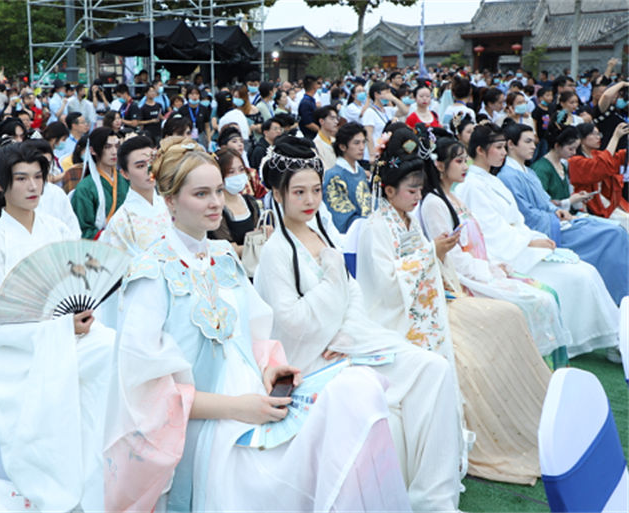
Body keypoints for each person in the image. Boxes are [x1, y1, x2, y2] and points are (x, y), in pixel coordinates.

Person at [103, 142, 412, 512]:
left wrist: (269, 368)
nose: (216, 202)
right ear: (169, 200)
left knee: (357, 390)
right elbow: (148, 393)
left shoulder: (224, 260)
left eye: (218, 190)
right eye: (201, 194)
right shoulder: (149, 274)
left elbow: (252, 337)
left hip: (258, 403)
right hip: (207, 426)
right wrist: (238, 407)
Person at [254, 136, 461, 511]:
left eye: (315, 190)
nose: (310, 200)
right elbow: (290, 322)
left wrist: (344, 329)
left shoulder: (323, 231)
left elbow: (353, 296)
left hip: (346, 341)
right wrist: (334, 283)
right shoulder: (276, 251)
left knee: (434, 368)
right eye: (298, 192)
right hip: (312, 359)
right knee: (418, 374)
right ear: (278, 194)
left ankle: (435, 497)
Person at [357, 127, 553, 486]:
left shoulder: (404, 218)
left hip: (429, 301)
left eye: (419, 190)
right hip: (396, 316)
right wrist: (433, 252)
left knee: (507, 316)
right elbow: (384, 285)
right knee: (489, 329)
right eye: (411, 191)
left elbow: (423, 262)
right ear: (388, 191)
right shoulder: (375, 227)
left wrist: (438, 262)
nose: (417, 197)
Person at [0, 142, 113, 511]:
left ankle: (100, 470)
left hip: (65, 338)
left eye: (38, 177)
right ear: (0, 185)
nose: (33, 187)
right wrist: (61, 330)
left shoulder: (58, 229)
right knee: (100, 358)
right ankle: (68, 478)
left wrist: (80, 320)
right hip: (18, 357)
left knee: (112, 346)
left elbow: (80, 290)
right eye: (21, 179)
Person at [456, 123, 621, 361]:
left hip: (523, 242)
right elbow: (492, 232)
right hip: (510, 254)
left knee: (587, 270)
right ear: (481, 150)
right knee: (580, 276)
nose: (503, 153)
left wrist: (536, 237)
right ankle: (608, 338)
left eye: (504, 147)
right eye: (499, 148)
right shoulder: (473, 185)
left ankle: (613, 337)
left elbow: (518, 220)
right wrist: (530, 242)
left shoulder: (492, 180)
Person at [420, 136, 571, 369]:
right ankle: (530, 368)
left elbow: (478, 242)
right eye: (459, 162)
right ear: (439, 165)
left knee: (547, 294)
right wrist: (487, 269)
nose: (465, 167)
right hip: (465, 279)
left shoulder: (454, 197)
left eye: (465, 161)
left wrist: (495, 263)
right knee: (534, 301)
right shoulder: (434, 203)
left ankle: (542, 369)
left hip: (482, 268)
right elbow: (451, 257)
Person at [499, 122, 629, 305]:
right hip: (547, 228)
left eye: (533, 141)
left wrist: (558, 210)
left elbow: (546, 201)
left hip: (557, 219)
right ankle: (619, 296)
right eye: (527, 142)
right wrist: (557, 213)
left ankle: (619, 292)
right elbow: (526, 214)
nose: (533, 146)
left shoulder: (527, 171)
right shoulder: (509, 175)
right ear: (511, 144)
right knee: (613, 234)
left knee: (616, 229)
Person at [100, 135, 169, 256]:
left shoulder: (170, 205)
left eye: (152, 163)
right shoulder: (122, 220)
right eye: (140, 166)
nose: (149, 170)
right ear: (125, 174)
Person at [568, 122, 629, 231]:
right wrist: (615, 137)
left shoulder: (596, 154)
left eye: (599, 134)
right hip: (591, 203)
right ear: (581, 139)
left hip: (606, 199)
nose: (598, 137)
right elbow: (603, 165)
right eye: (594, 134)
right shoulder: (575, 161)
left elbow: (616, 160)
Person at [71, 127, 128, 239]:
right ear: (92, 150)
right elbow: (82, 230)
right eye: (107, 147)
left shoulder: (126, 180)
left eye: (117, 146)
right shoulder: (85, 188)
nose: (114, 152)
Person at [207, 147, 263, 259]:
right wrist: (258, 245)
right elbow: (228, 249)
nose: (238, 175)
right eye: (231, 172)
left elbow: (259, 232)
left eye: (241, 169)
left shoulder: (250, 202)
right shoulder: (215, 209)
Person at [323, 122, 372, 233]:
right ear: (342, 146)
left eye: (363, 142)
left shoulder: (359, 170)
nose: (361, 147)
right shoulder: (334, 176)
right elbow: (342, 218)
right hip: (352, 235)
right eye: (356, 143)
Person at [530, 126, 590, 212]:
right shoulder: (541, 169)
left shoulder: (563, 165)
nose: (574, 152)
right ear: (557, 146)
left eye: (575, 149)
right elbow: (541, 203)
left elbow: (564, 196)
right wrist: (570, 201)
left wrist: (578, 198)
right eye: (570, 149)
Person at [362, 81, 408, 163]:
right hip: (375, 153)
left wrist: (393, 98)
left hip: (386, 152)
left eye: (389, 92)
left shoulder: (388, 110)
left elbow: (404, 111)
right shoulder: (370, 112)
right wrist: (372, 155)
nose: (389, 95)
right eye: (386, 92)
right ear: (376, 95)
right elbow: (368, 134)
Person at [312, 106, 339, 171]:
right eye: (332, 118)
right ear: (321, 121)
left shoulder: (337, 141)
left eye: (336, 118)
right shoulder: (315, 145)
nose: (336, 122)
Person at [298, 75, 320, 139]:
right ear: (314, 86)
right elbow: (308, 123)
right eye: (317, 84)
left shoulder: (310, 100)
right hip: (309, 137)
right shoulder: (306, 103)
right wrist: (322, 132)